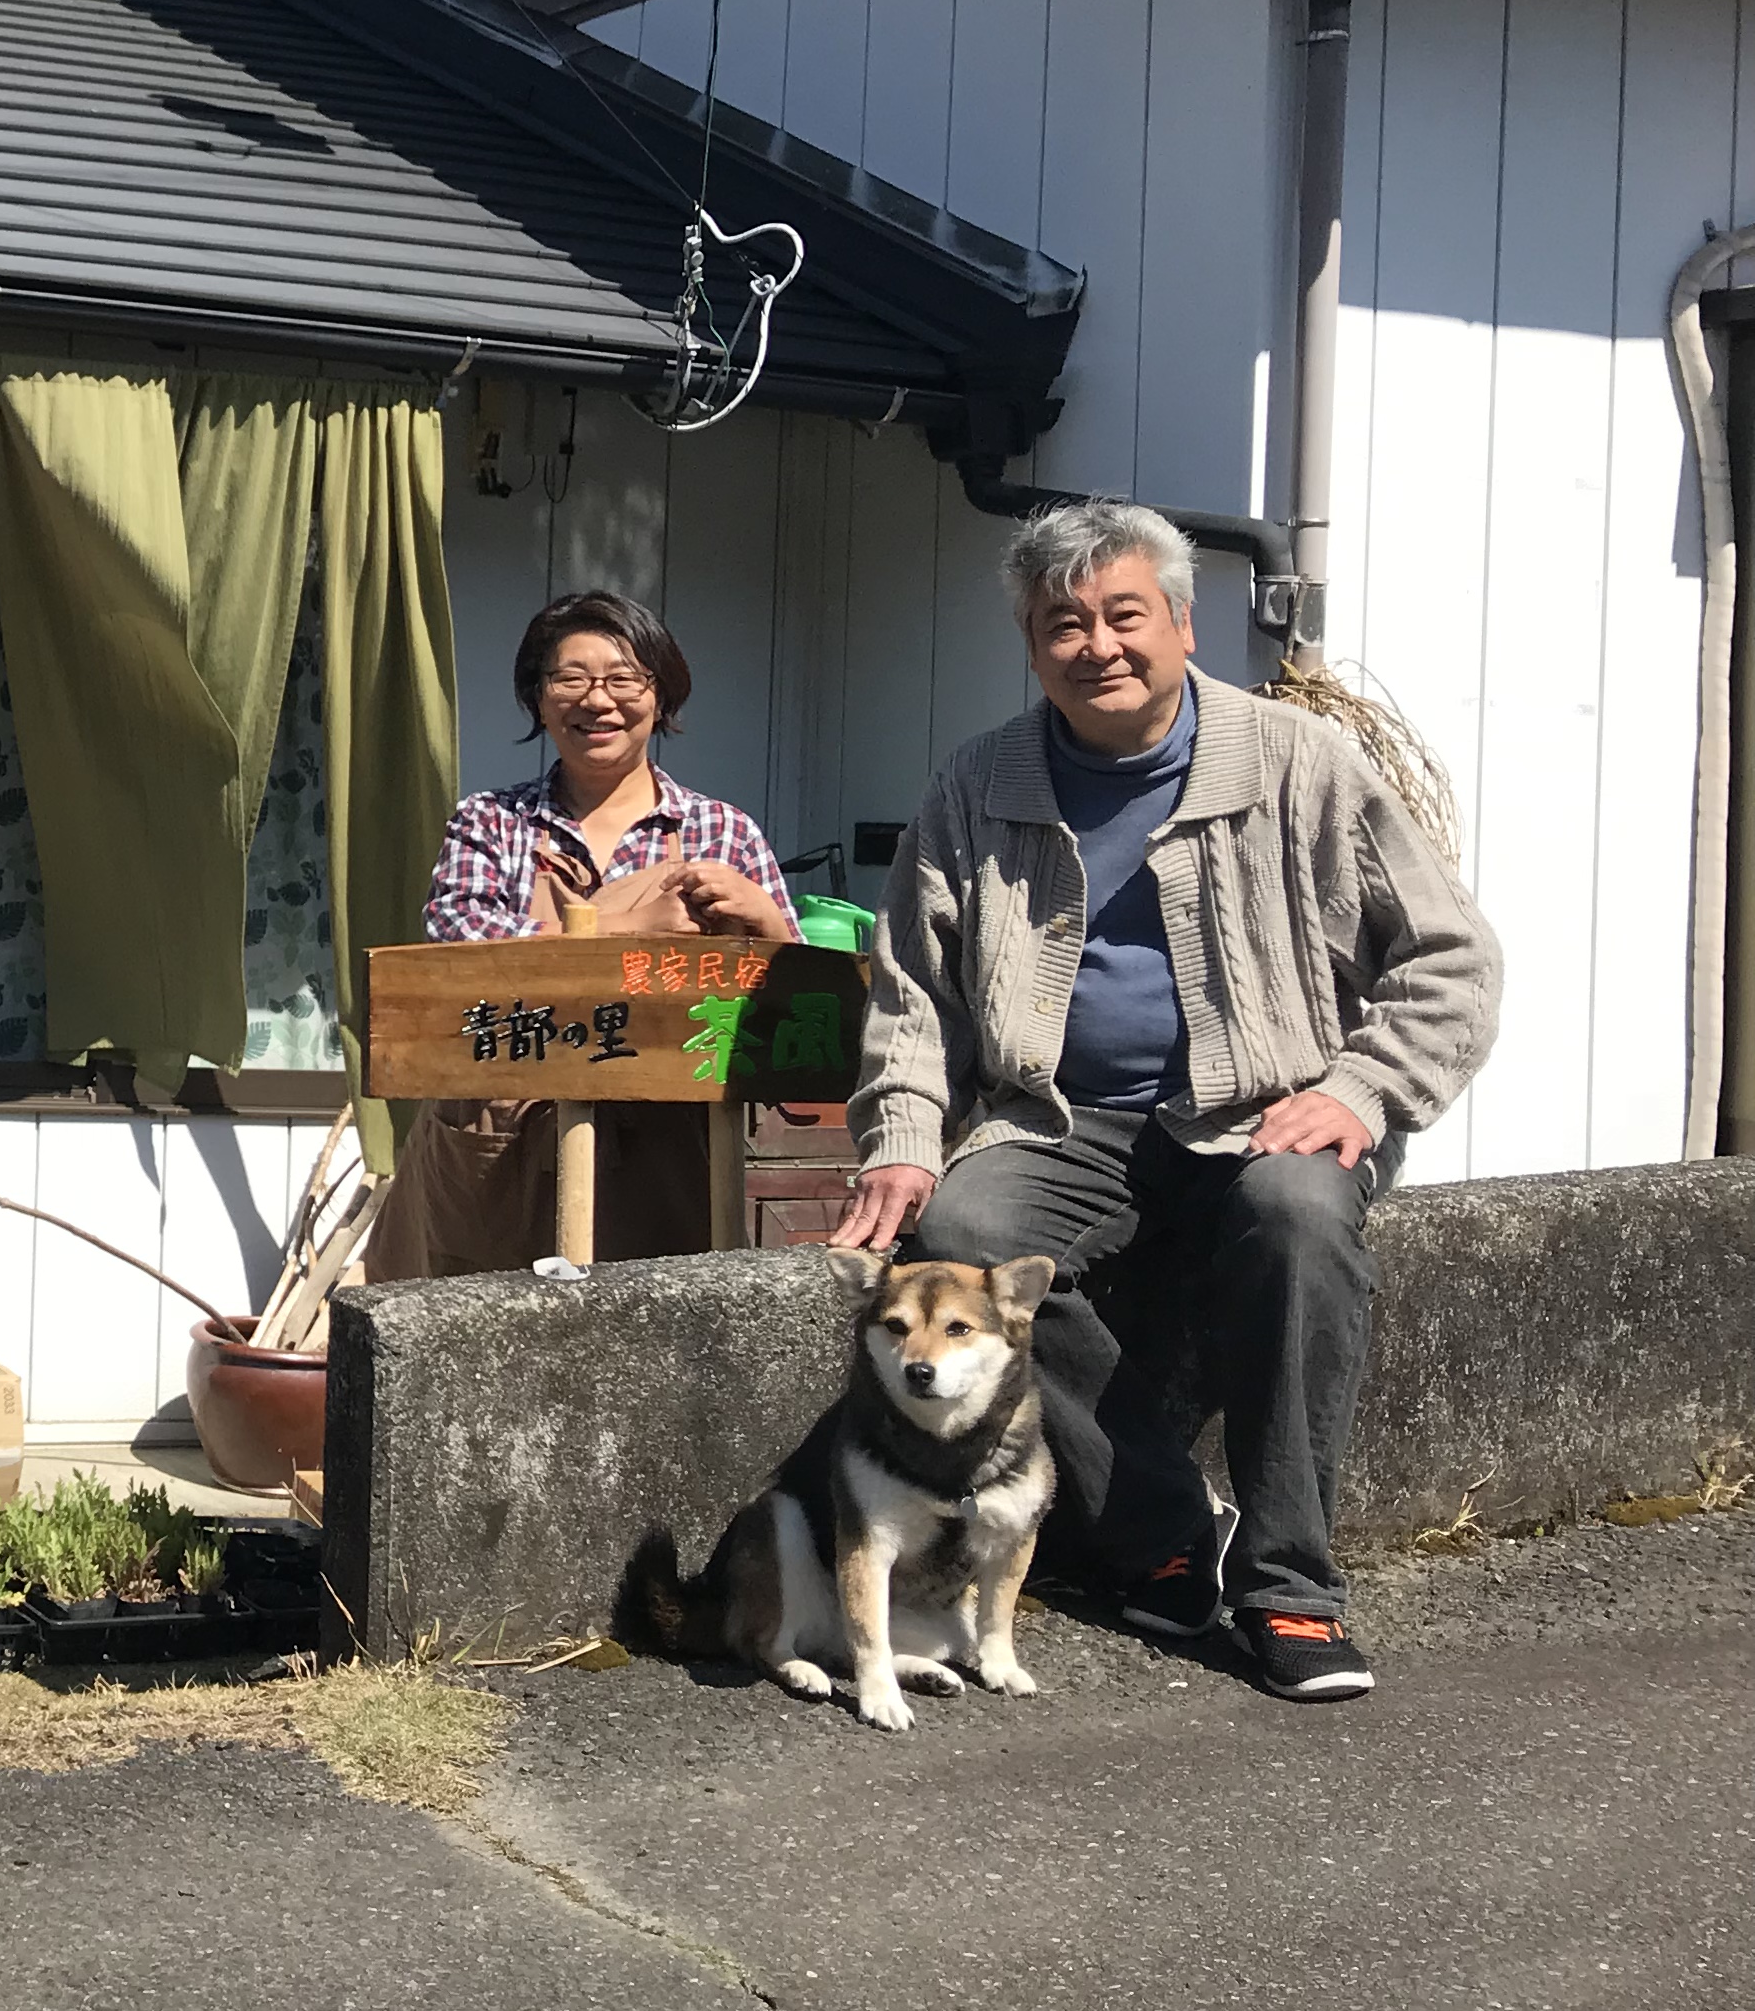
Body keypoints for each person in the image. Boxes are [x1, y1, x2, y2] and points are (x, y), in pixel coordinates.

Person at [832, 500, 1500, 1705]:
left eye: (1124, 615)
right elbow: (913, 995)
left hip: (1269, 1109)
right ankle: (1164, 1526)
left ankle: (1291, 1586)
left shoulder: (1300, 762)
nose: (1099, 645)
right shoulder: (980, 784)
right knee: (969, 1238)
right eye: (1063, 625)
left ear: (1184, 625)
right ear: (1034, 649)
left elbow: (1452, 960)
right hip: (1059, 1118)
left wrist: (1362, 1088)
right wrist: (904, 1139)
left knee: (1299, 1221)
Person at [382, 589, 796, 1276]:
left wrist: (771, 925)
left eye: (623, 678)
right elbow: (459, 949)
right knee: (487, 1341)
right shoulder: (489, 822)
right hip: (501, 1139)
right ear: (537, 700)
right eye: (569, 678)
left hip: (671, 1140)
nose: (596, 700)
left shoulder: (724, 833)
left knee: (655, 1348)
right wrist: (634, 926)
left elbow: (789, 1012)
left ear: (660, 697)